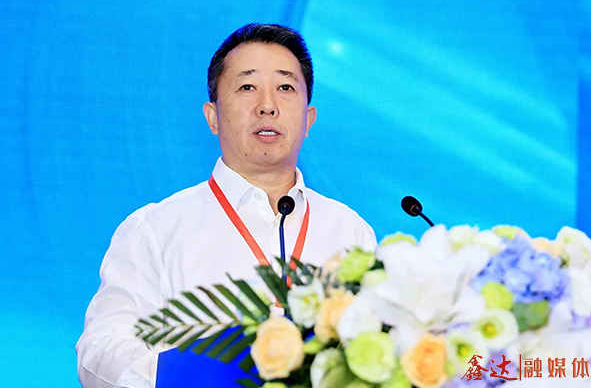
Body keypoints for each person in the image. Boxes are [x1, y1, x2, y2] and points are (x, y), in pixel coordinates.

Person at [76, 23, 377, 388]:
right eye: (247, 87)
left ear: (308, 119)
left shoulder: (350, 231)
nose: (267, 106)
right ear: (213, 117)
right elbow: (100, 349)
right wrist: (185, 375)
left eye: (285, 88)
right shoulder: (155, 229)